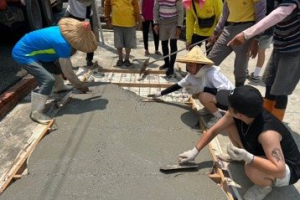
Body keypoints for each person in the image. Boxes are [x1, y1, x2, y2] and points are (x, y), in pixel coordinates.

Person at [178, 85, 300, 200]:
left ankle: (264, 187)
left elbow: (280, 170)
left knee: (251, 168)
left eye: (228, 105)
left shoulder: (267, 134)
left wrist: (249, 157)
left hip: (288, 170)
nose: (225, 106)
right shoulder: (246, 112)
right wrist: (195, 151)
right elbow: (214, 130)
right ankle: (245, 157)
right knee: (229, 126)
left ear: (240, 115)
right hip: (264, 153)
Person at [12, 18, 97, 124]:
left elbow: (61, 65)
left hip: (38, 52)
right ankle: (36, 112)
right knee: (47, 80)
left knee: (55, 68)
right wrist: (80, 85)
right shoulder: (62, 43)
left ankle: (59, 87)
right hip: (24, 54)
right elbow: (68, 72)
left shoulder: (63, 32)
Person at [227, 0, 300, 121]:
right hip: (279, 46)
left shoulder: (291, 2)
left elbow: (279, 14)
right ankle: (265, 117)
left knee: (281, 90)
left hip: (294, 50)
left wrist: (247, 34)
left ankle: (275, 124)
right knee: (269, 82)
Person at [148, 46, 234, 128]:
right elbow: (177, 86)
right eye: (187, 65)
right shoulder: (192, 75)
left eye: (191, 65)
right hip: (218, 98)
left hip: (230, 102)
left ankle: (219, 118)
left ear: (200, 65)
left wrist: (202, 89)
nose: (188, 68)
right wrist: (159, 94)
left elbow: (224, 93)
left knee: (202, 95)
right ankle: (209, 109)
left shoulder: (211, 74)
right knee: (196, 94)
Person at [206, 0, 266, 87]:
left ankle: (238, 94)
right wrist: (216, 32)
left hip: (246, 29)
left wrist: (256, 39)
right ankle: (205, 88)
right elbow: (225, 13)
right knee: (210, 61)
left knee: (240, 69)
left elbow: (261, 15)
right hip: (228, 28)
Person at [104, 0, 141, 67]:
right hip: (116, 22)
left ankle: (127, 59)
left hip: (130, 22)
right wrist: (107, 18)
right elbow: (107, 5)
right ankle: (120, 59)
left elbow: (136, 6)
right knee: (118, 43)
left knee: (128, 43)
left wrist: (138, 19)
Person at [153, 0, 184, 77]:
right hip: (162, 22)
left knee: (173, 44)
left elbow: (180, 11)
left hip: (174, 22)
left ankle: (171, 67)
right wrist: (156, 23)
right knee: (164, 43)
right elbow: (156, 9)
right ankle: (166, 63)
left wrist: (179, 26)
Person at [248, 0, 274, 83]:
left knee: (248, 48)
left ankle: (244, 71)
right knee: (261, 51)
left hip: (256, 27)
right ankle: (256, 75)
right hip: (269, 29)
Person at [64, 0, 94, 67]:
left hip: (85, 15)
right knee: (65, 37)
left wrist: (87, 19)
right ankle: (65, 59)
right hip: (71, 12)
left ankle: (89, 59)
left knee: (89, 39)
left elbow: (89, 5)